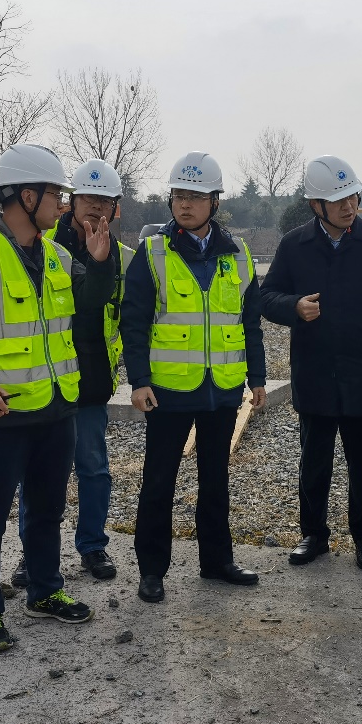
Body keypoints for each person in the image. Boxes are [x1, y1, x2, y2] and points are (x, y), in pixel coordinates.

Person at [0, 144, 115, 653]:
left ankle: (44, 590)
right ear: (27, 196)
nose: (62, 204)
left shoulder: (58, 255)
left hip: (55, 409)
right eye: (55, 194)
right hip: (1, 412)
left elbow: (90, 304)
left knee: (47, 509)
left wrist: (100, 265)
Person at [119, 151, 266, 604]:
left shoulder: (237, 254)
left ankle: (217, 561)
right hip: (169, 390)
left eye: (196, 196)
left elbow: (250, 322)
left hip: (222, 389)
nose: (185, 204)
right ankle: (151, 570)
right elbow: (133, 321)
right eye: (179, 195)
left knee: (215, 480)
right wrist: (138, 380)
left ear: (215, 202)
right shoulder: (153, 253)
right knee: (158, 482)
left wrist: (257, 377)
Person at [260, 155, 362, 571]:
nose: (349, 206)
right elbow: (266, 297)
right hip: (316, 375)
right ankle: (314, 534)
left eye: (352, 196)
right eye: (338, 200)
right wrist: (294, 306)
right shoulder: (294, 246)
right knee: (314, 462)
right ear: (316, 205)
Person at [8, 160, 133, 588]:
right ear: (70, 203)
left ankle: (93, 545)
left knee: (93, 467)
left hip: (91, 379)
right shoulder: (42, 247)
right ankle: (33, 554)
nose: (95, 207)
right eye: (88, 199)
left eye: (104, 201)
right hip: (46, 380)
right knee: (40, 474)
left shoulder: (125, 258)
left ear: (116, 209)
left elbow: (132, 320)